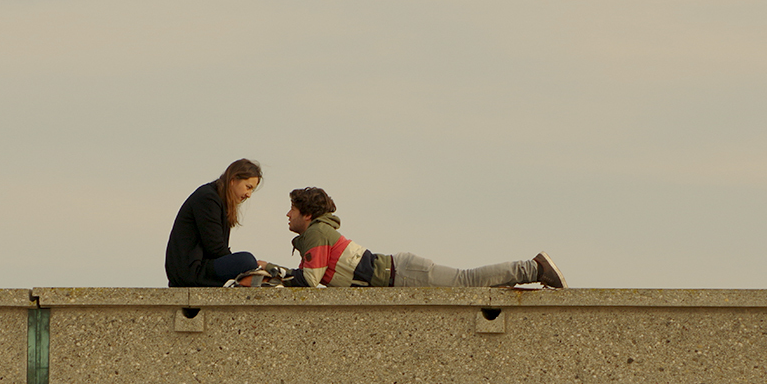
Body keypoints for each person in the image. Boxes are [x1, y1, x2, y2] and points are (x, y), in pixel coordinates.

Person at [277, 187, 568, 289]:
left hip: (402, 274)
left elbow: (308, 281)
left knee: (466, 281)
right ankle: (533, 269)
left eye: (291, 209)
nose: (287, 215)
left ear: (307, 214)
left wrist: (271, 271)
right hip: (399, 273)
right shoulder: (316, 234)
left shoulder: (316, 232)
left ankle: (535, 268)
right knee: (466, 282)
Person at [165, 159, 264, 287]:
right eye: (248, 187)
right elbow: (215, 248)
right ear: (233, 180)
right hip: (191, 272)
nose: (249, 195)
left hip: (198, 268)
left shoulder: (218, 199)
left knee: (248, 264)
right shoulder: (208, 198)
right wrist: (239, 268)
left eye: (252, 190)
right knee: (247, 261)